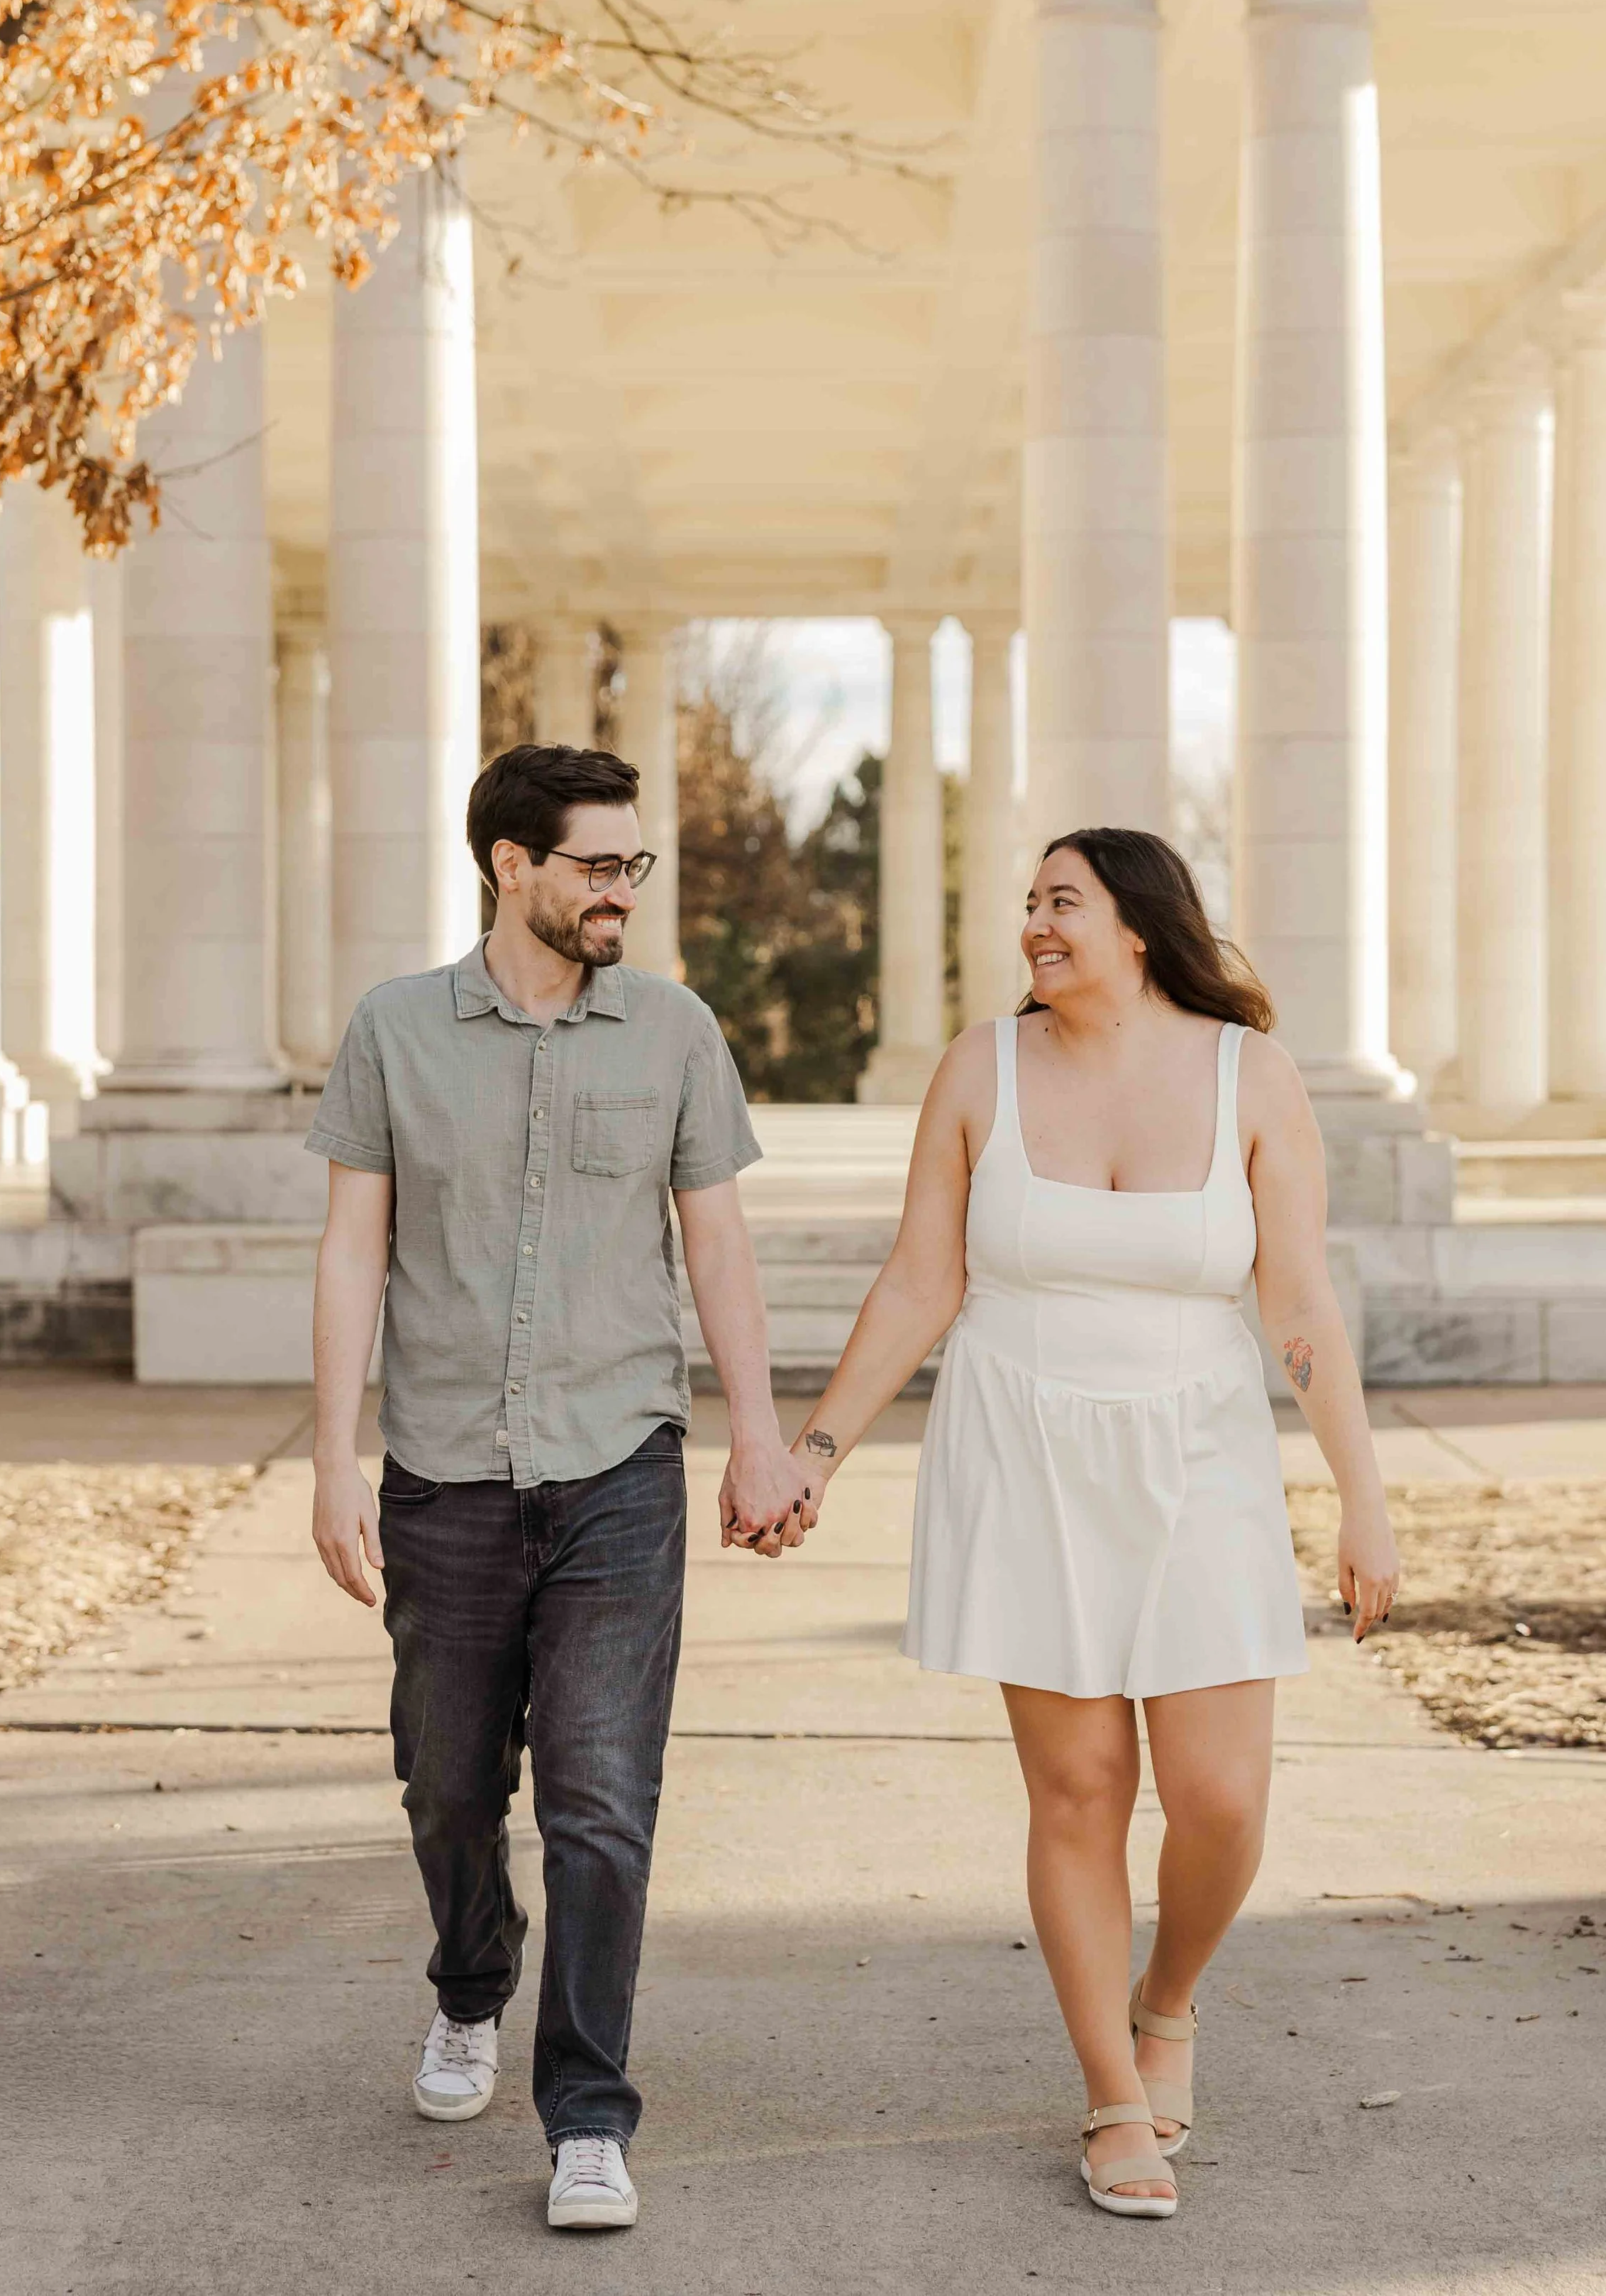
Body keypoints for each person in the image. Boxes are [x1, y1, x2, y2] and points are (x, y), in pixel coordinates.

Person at [776, 828, 1400, 2219]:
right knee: (1077, 1792)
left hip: (1201, 1455)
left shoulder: (1250, 1075)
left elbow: (1298, 1303)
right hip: (1021, 1453)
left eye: (1062, 902)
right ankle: (1113, 2095)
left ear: (1139, 925)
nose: (1035, 926)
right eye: (1028, 904)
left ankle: (1165, 1997)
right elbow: (917, 1283)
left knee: (1222, 1799)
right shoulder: (977, 1071)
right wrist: (814, 1454)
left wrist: (1362, 1498)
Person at [306, 742, 807, 2233]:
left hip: (617, 1469)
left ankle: (586, 2113)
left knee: (600, 1801)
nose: (620, 893)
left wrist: (760, 1436)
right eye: (596, 865)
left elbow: (716, 1244)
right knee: (449, 1787)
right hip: (445, 1473)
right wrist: (332, 1456)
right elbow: (351, 1248)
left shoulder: (675, 1031)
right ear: (509, 864)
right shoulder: (394, 1029)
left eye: (631, 866)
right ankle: (472, 1982)